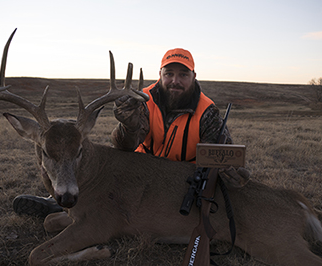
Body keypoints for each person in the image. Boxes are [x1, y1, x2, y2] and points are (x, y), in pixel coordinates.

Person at [13, 48, 249, 218]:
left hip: (182, 179)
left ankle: (67, 208)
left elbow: (221, 155)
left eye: (183, 75)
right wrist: (130, 125)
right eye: (169, 74)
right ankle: (65, 204)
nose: (175, 81)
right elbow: (125, 146)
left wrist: (232, 173)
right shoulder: (140, 101)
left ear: (193, 77)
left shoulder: (207, 112)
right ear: (160, 74)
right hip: (139, 172)